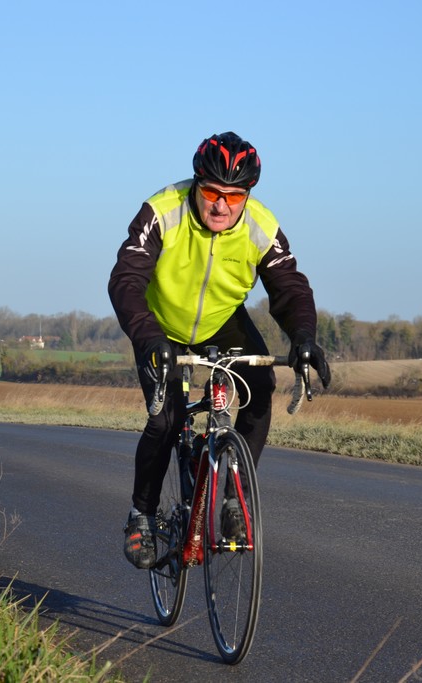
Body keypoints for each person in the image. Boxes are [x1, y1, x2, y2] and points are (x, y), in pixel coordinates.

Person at [108, 131, 331, 569]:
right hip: (160, 325)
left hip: (222, 320)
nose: (221, 206)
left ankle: (234, 500)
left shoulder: (260, 225)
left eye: (235, 196)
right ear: (196, 184)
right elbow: (126, 280)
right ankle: (142, 515)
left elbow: (289, 287)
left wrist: (304, 336)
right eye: (212, 192)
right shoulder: (162, 211)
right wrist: (147, 337)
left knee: (260, 387)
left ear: (248, 195)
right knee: (166, 419)